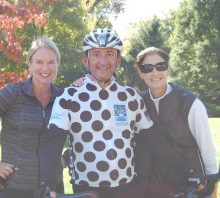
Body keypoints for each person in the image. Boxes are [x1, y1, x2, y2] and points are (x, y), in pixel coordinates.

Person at [32, 28, 154, 198]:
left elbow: (148, 141)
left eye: (110, 54)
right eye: (96, 54)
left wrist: (144, 183)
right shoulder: (68, 97)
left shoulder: (131, 96)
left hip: (128, 186)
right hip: (85, 188)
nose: (103, 61)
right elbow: (53, 143)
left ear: (118, 60)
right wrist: (47, 182)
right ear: (85, 59)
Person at [0, 37, 65, 198]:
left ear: (58, 64)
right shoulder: (12, 93)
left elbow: (86, 135)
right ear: (30, 64)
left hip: (52, 188)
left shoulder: (64, 98)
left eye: (51, 62)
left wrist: (66, 159)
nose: (45, 67)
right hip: (11, 187)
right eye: (39, 62)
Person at [133, 47, 218, 198]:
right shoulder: (137, 102)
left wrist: (212, 184)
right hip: (154, 186)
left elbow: (207, 146)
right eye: (147, 68)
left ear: (168, 69)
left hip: (191, 184)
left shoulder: (190, 103)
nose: (155, 73)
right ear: (140, 73)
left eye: (161, 66)